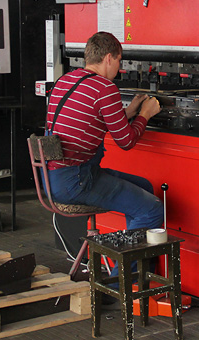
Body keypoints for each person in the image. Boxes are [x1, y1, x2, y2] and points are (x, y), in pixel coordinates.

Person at [45, 31, 163, 280]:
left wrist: (130, 111)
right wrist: (146, 114)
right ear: (109, 58)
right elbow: (126, 141)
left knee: (144, 187)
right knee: (151, 209)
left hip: (52, 179)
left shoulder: (65, 81)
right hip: (76, 181)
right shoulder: (105, 88)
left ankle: (139, 270)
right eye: (119, 61)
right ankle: (123, 282)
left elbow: (93, 119)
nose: (120, 68)